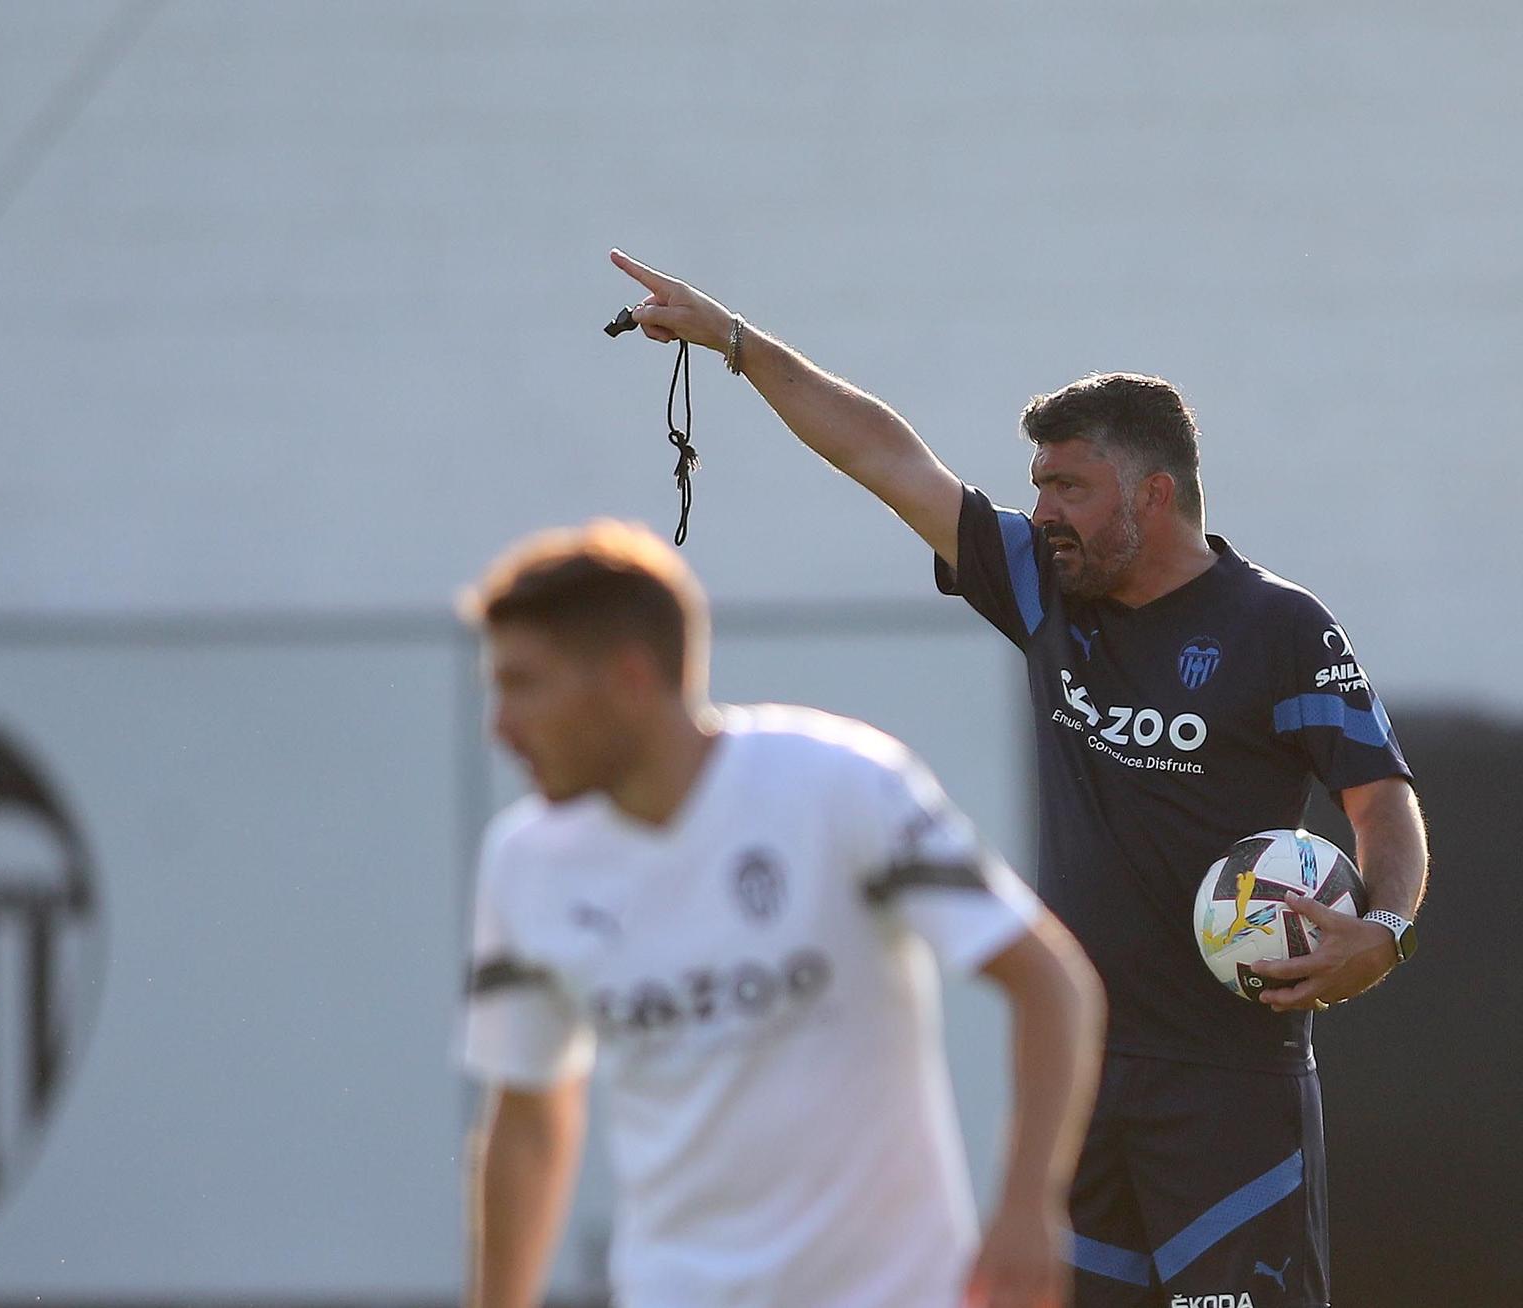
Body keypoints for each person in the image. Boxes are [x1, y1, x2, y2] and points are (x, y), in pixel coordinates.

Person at [605, 250, 1430, 1308]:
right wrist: (735, 342)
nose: (1039, 509)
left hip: (1227, 1089)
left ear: (1153, 493)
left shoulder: (1278, 628)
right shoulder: (1045, 589)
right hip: (1080, 1080)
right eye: (1037, 483)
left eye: (1066, 485)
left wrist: (1386, 930)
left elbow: (1380, 799)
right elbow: (882, 456)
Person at [457, 520, 1104, 1308]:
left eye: (524, 684)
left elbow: (1047, 981)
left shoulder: (835, 783)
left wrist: (1029, 1205)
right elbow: (528, 1113)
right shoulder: (525, 859)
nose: (500, 726)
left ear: (627, 677)